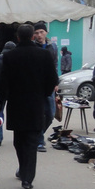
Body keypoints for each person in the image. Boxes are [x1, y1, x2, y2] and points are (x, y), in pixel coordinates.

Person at [0, 24, 58, 189]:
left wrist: (4, 98)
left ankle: (23, 170)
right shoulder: (44, 55)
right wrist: (43, 93)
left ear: (17, 37)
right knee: (31, 141)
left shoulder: (10, 56)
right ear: (32, 36)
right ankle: (27, 178)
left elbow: (3, 82)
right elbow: (53, 79)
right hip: (35, 103)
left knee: (19, 140)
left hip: (16, 103)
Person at [32, 21, 59, 151]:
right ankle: (39, 140)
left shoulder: (52, 47)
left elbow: (55, 66)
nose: (39, 35)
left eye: (41, 32)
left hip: (49, 85)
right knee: (39, 113)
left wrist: (56, 82)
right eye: (36, 33)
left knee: (51, 113)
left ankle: (39, 134)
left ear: (46, 32)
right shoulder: (32, 47)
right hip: (36, 86)